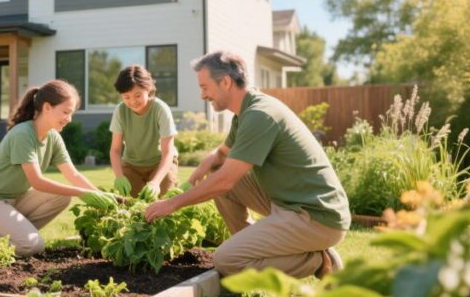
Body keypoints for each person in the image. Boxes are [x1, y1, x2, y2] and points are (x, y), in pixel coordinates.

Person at [145, 51, 351, 279]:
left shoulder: (260, 115)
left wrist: (172, 204)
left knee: (227, 260)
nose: (203, 95)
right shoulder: (245, 113)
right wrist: (197, 174)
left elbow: (225, 181)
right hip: (290, 202)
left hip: (316, 216)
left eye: (205, 87)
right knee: (216, 171)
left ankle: (318, 260)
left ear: (225, 82)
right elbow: (220, 156)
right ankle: (256, 249)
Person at [0, 80, 117, 256]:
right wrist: (81, 193)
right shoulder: (23, 134)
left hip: (15, 199)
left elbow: (73, 175)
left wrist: (102, 196)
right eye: (66, 112)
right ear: (47, 107)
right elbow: (37, 182)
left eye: (71, 113)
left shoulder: (53, 137)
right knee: (33, 247)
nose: (69, 119)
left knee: (62, 197)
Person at [109, 65, 179, 198]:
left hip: (160, 162)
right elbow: (115, 150)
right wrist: (119, 176)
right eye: (126, 97)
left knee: (163, 198)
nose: (133, 101)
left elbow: (168, 153)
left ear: (148, 89)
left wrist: (155, 182)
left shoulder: (160, 109)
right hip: (132, 165)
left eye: (138, 95)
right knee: (129, 202)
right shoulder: (120, 111)